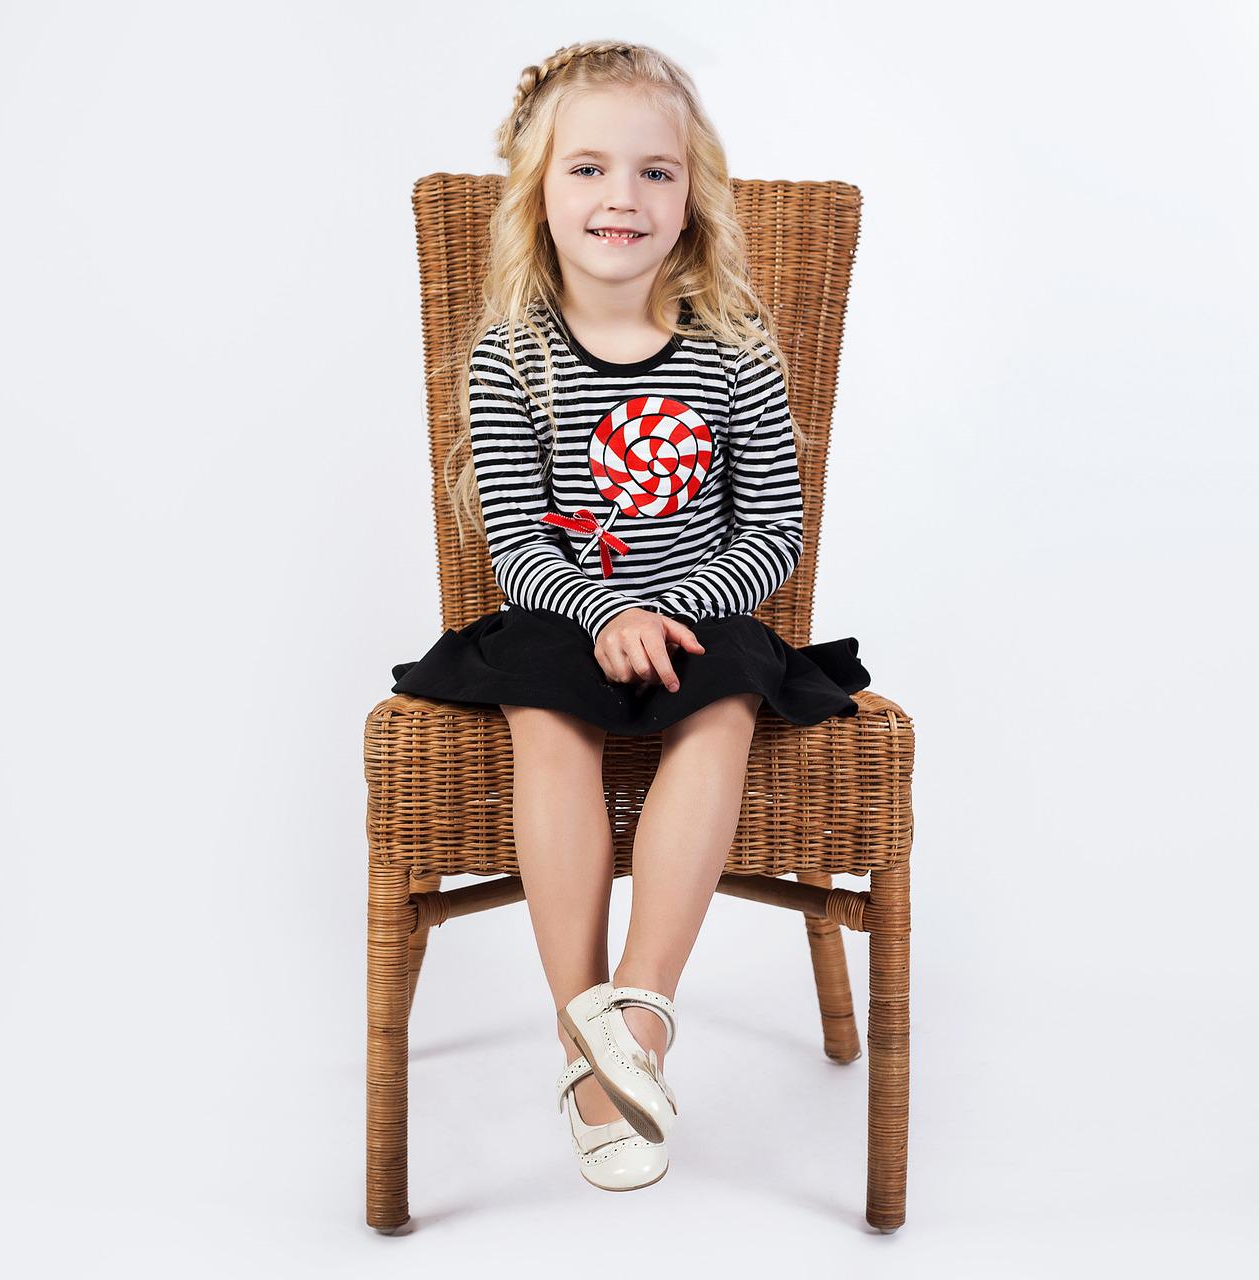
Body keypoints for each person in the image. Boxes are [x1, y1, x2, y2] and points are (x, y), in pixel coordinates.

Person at [389, 39, 871, 1192]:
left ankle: (640, 1014)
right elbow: (516, 539)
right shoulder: (510, 353)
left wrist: (671, 613)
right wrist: (605, 612)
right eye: (588, 169)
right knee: (544, 718)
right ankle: (581, 1040)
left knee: (721, 711)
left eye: (655, 172)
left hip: (705, 622)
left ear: (692, 192)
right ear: (538, 193)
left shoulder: (733, 351)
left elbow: (771, 537)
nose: (623, 197)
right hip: (562, 616)